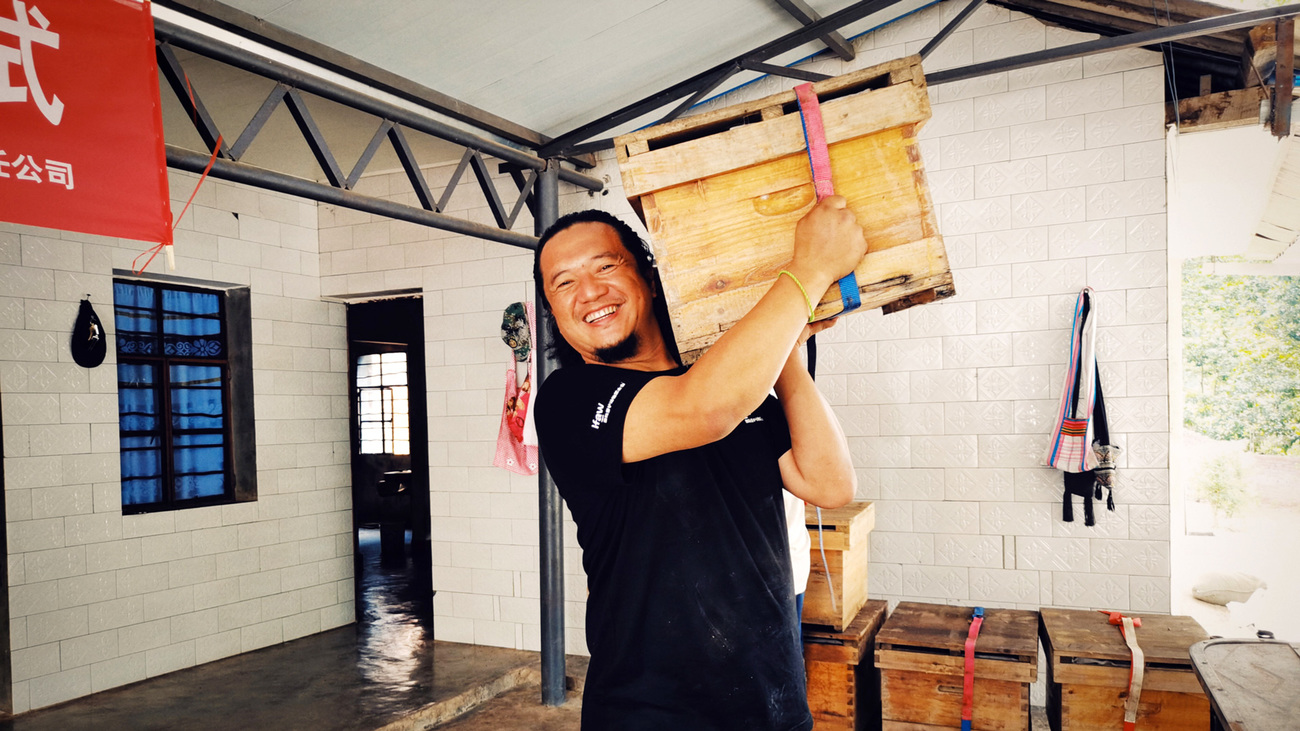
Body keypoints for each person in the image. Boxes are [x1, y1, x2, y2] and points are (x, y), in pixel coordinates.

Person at [533, 196, 865, 730]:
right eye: (563, 283)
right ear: (553, 312)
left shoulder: (734, 389)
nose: (589, 292)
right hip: (651, 716)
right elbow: (702, 410)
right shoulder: (567, 399)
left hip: (773, 706)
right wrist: (810, 269)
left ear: (647, 273)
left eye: (604, 266)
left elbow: (828, 483)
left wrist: (788, 360)